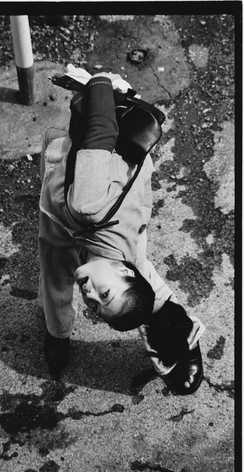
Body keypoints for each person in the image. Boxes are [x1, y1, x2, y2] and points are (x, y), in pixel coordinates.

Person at [38, 69, 205, 394]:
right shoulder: (88, 203)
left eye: (95, 306)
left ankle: (179, 335)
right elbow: (100, 128)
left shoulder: (128, 258)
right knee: (56, 275)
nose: (90, 296)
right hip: (74, 204)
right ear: (121, 269)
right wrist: (100, 84)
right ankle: (56, 335)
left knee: (132, 294)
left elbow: (137, 291)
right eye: (103, 295)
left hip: (92, 197)